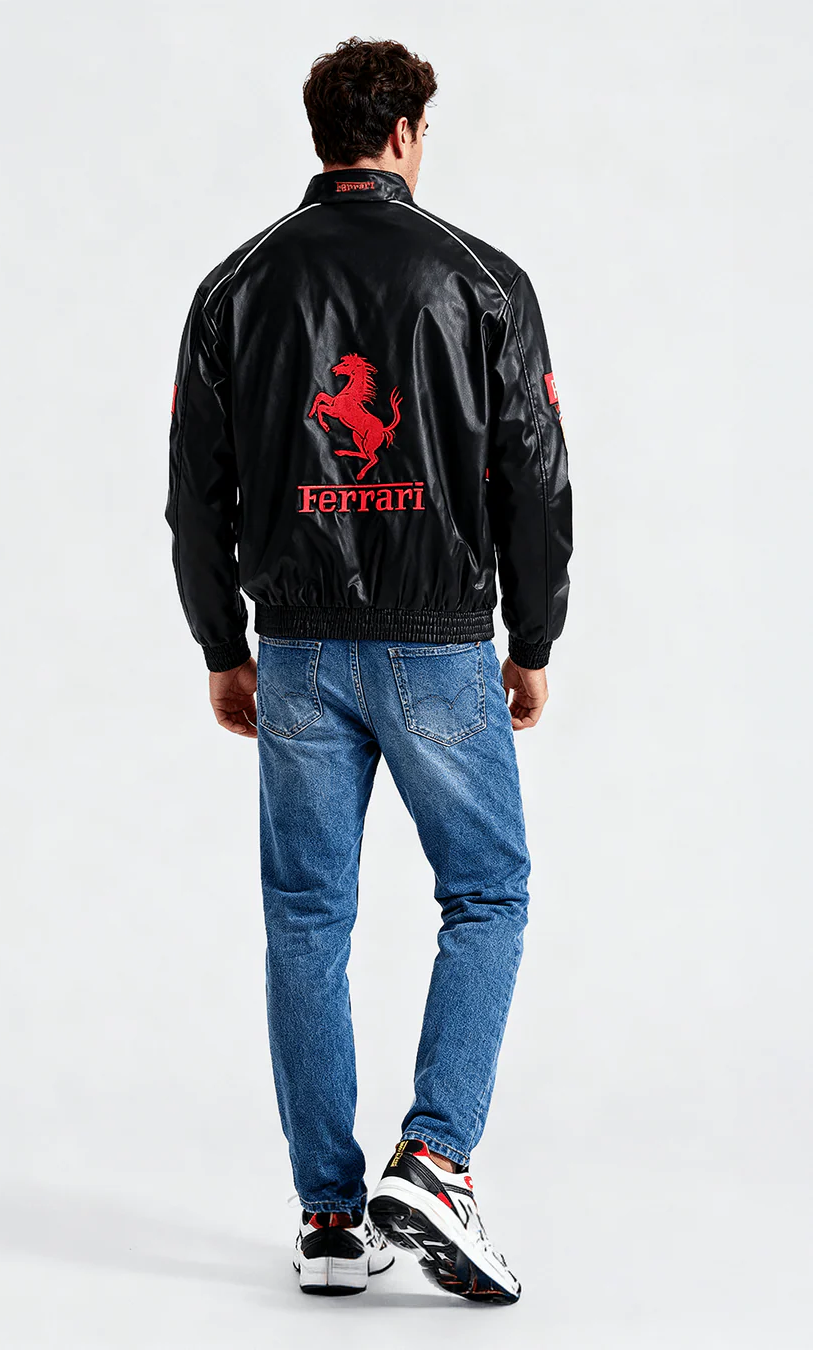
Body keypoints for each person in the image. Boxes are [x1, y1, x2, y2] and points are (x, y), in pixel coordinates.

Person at [165, 37, 572, 1304]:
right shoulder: (482, 279)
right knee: (489, 894)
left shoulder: (236, 284)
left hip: (293, 652)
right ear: (405, 133)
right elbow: (537, 478)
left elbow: (194, 496)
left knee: (306, 921)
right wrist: (534, 637)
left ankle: (332, 1220)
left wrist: (223, 646)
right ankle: (436, 1160)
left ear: (324, 133)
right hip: (439, 642)